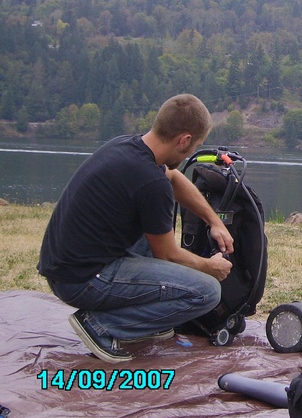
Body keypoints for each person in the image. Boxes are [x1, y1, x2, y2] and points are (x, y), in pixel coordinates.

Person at [37, 94, 234, 363]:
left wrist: (215, 222)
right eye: (195, 145)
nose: (191, 150)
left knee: (154, 224)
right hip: (83, 281)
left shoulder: (127, 146)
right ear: (184, 140)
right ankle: (101, 326)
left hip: (65, 266)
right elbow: (168, 254)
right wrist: (209, 267)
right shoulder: (151, 183)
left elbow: (174, 177)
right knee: (207, 291)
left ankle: (149, 318)